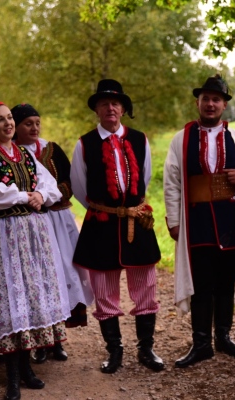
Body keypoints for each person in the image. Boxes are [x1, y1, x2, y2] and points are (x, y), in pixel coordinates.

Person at [0, 101, 71, 400]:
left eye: (10, 118)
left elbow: (51, 185)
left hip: (31, 234)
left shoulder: (25, 153)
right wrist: (28, 195)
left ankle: (26, 369)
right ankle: (11, 377)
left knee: (29, 297)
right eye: (0, 120)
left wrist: (40, 194)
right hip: (0, 235)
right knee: (9, 299)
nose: (8, 123)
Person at [163, 74, 235, 368]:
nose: (210, 104)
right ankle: (201, 344)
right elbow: (172, 183)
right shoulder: (181, 139)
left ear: (224, 105)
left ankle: (223, 337)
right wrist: (174, 221)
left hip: (232, 221)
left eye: (216, 99)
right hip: (197, 222)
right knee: (201, 282)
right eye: (205, 98)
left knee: (226, 280)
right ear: (198, 102)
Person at [71, 79, 163, 374]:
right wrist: (108, 210)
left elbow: (145, 178)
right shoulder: (84, 144)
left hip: (137, 221)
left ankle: (146, 349)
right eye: (104, 103)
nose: (110, 108)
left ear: (123, 109)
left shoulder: (139, 139)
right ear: (96, 110)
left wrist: (129, 209)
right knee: (104, 290)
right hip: (102, 225)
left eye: (115, 103)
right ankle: (115, 351)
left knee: (145, 287)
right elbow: (79, 187)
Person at [11, 103, 94, 364]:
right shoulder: (10, 154)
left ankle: (58, 340)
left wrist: (50, 195)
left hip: (59, 219)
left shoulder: (52, 149)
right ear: (15, 127)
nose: (34, 128)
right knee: (39, 278)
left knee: (63, 274)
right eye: (28, 123)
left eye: (37, 122)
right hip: (32, 222)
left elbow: (69, 182)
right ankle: (40, 342)